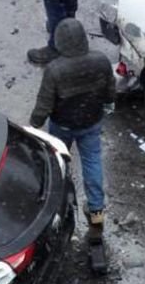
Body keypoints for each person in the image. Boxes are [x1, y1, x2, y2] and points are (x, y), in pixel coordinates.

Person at [29, 18, 114, 230]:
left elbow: (45, 103)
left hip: (62, 125)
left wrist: (33, 125)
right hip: (91, 122)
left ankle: (54, 205)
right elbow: (110, 90)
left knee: (57, 162)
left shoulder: (55, 69)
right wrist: (107, 105)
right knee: (92, 162)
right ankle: (96, 210)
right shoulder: (101, 61)